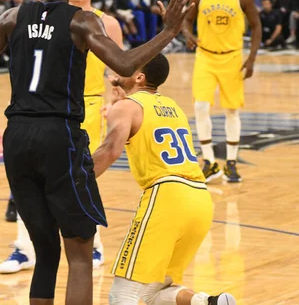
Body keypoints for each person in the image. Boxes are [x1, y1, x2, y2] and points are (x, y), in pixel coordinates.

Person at [0, 0, 191, 305]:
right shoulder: (81, 20)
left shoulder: (11, 18)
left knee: (45, 252)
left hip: (16, 138)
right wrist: (169, 31)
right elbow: (126, 65)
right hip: (57, 135)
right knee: (79, 254)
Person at [0, 0, 124, 275]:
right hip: (48, 109)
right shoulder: (48, 18)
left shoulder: (105, 22)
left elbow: (119, 70)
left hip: (89, 107)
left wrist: (118, 99)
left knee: (83, 179)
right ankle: (25, 249)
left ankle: (93, 246)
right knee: (35, 182)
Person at [92, 54, 236, 305]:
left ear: (139, 76)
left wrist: (72, 181)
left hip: (166, 196)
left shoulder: (126, 107)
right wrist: (116, 104)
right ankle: (207, 302)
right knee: (153, 293)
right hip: (200, 198)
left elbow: (109, 151)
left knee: (122, 293)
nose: (120, 64)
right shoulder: (171, 106)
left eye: (128, 62)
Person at [182, 0, 262, 183]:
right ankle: (209, 162)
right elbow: (186, 20)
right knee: (199, 106)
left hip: (232, 58)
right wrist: (188, 34)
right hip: (205, 56)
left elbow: (256, 26)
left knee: (232, 111)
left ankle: (232, 163)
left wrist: (252, 58)